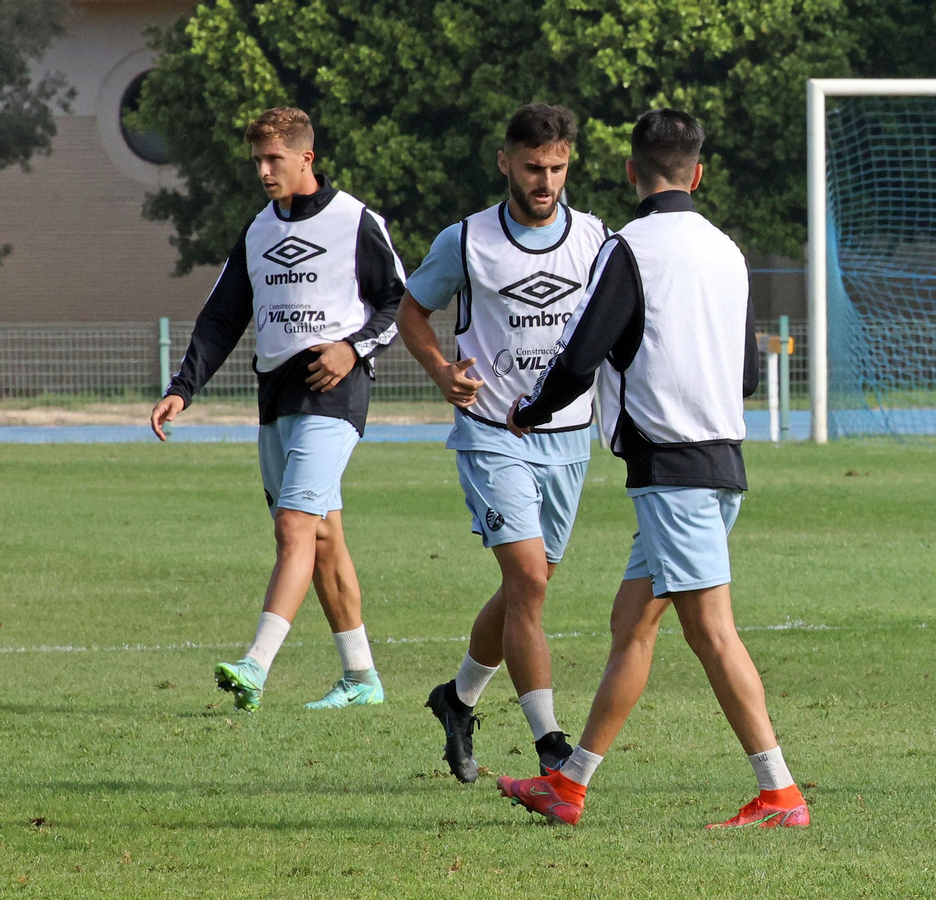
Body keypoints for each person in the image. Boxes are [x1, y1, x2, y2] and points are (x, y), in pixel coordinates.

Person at [494, 108, 809, 829]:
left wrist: (531, 412)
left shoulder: (625, 247)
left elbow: (579, 355)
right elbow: (750, 377)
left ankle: (781, 791)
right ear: (698, 174)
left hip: (674, 472)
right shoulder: (728, 250)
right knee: (631, 625)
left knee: (712, 634)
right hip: (718, 461)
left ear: (632, 172)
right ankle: (568, 785)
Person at [150, 107, 405, 712]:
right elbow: (221, 317)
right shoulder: (258, 232)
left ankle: (255, 666)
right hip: (277, 399)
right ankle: (361, 677)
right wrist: (183, 387)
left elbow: (399, 301)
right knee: (320, 539)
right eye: (258, 161)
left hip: (335, 394)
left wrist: (352, 347)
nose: (264, 171)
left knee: (294, 527)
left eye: (275, 160)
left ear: (305, 158)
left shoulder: (354, 221)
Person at [397, 103, 608, 783]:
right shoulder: (466, 241)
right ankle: (551, 742)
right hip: (492, 433)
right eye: (532, 168)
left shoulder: (598, 240)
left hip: (571, 437)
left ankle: (457, 700)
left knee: (531, 588)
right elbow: (411, 310)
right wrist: (439, 369)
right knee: (526, 581)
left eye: (556, 167)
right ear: (504, 163)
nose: (545, 181)